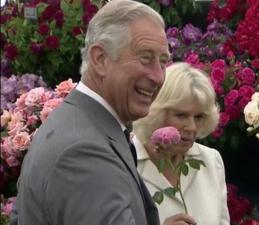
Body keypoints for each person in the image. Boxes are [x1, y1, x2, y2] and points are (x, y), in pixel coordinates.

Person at [9, 1, 195, 225]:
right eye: (145, 57)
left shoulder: (75, 124)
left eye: (163, 62)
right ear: (100, 59)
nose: (158, 76)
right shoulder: (83, 152)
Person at [132, 62, 230, 225]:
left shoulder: (211, 160)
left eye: (199, 117)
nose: (191, 127)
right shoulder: (125, 162)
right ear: (156, 113)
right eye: (181, 115)